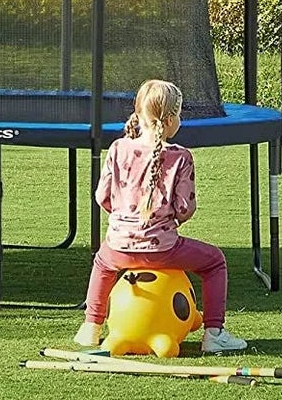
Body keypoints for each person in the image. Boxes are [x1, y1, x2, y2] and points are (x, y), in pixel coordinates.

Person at [75, 79, 247, 353]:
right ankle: (214, 333)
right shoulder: (181, 157)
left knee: (102, 263)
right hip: (163, 248)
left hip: (118, 246)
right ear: (169, 120)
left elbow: (102, 197)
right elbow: (184, 208)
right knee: (215, 262)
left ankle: (90, 327)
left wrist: (124, 221)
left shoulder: (118, 148)